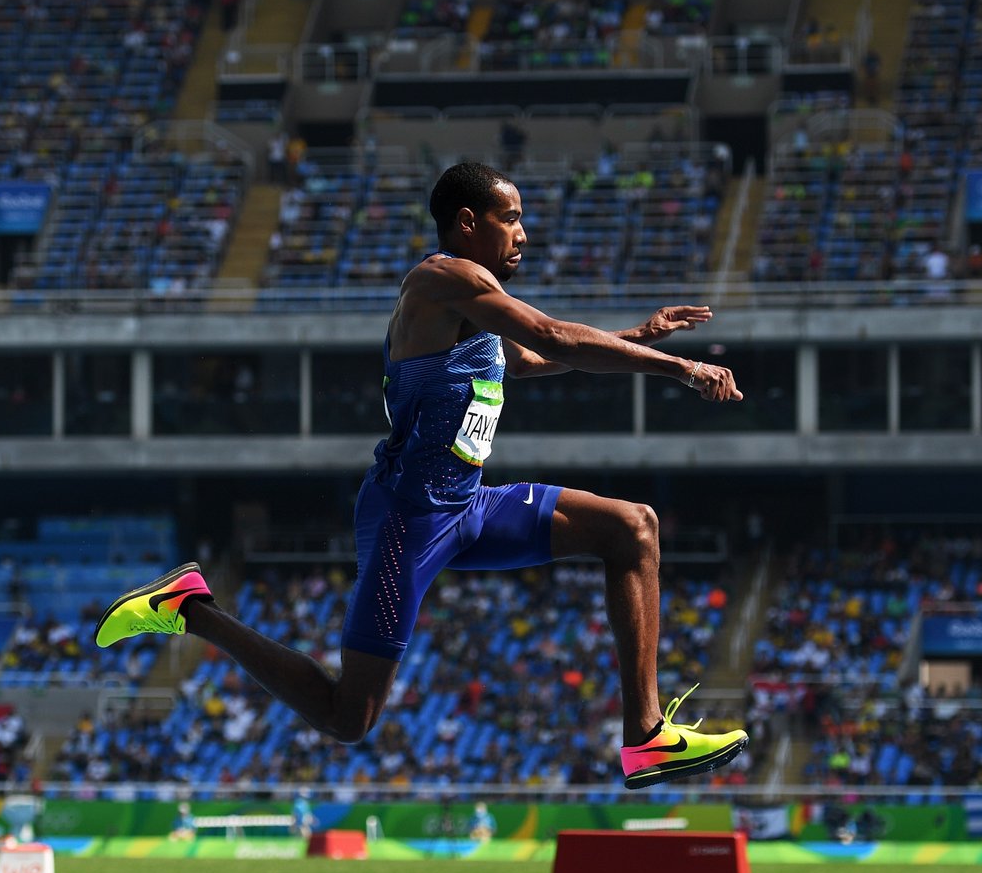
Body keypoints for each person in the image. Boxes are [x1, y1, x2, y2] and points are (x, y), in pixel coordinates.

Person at [95, 161, 749, 789]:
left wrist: (639, 332)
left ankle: (645, 736)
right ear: (467, 222)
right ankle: (192, 609)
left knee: (632, 528)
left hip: (467, 505)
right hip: (409, 518)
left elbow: (524, 360)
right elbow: (554, 338)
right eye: (510, 218)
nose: (523, 233)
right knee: (347, 718)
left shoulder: (476, 304)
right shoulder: (442, 279)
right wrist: (682, 369)